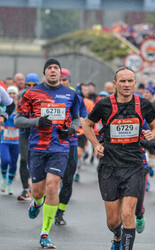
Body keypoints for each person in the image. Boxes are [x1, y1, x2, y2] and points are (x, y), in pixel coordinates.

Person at [82, 66, 155, 250]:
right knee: (113, 221)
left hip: (133, 165)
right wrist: (95, 144)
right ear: (115, 83)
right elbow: (86, 124)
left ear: (135, 83)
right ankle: (117, 236)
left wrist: (152, 134)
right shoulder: (104, 104)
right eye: (122, 81)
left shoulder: (144, 104)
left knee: (127, 215)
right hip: (109, 165)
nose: (126, 84)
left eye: (130, 81)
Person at [14, 58, 80, 248]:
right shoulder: (31, 93)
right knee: (38, 191)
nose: (53, 71)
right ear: (45, 72)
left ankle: (45, 233)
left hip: (60, 148)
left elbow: (76, 119)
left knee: (52, 187)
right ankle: (36, 202)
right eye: (49, 68)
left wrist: (70, 131)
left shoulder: (71, 95)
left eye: (56, 68)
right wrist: (36, 122)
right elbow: (18, 120)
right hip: (37, 148)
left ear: (60, 73)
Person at [54, 68, 88, 225]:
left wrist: (76, 126)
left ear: (69, 81)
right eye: (60, 80)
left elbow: (85, 117)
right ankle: (46, 201)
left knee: (67, 180)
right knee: (51, 180)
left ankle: (60, 212)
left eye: (64, 80)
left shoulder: (76, 98)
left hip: (71, 143)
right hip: (51, 143)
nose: (62, 83)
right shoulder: (49, 96)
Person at [17, 73, 40, 201]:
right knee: (24, 159)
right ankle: (26, 188)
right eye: (28, 85)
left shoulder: (42, 96)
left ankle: (37, 187)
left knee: (36, 160)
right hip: (24, 132)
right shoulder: (22, 95)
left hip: (37, 132)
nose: (31, 87)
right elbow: (18, 115)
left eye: (34, 85)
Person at [0, 86, 19, 195]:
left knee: (13, 163)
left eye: (14, 93)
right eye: (10, 93)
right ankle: (3, 179)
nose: (12, 95)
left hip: (16, 141)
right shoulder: (3, 108)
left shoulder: (21, 108)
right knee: (5, 160)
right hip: (4, 140)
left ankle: (9, 184)